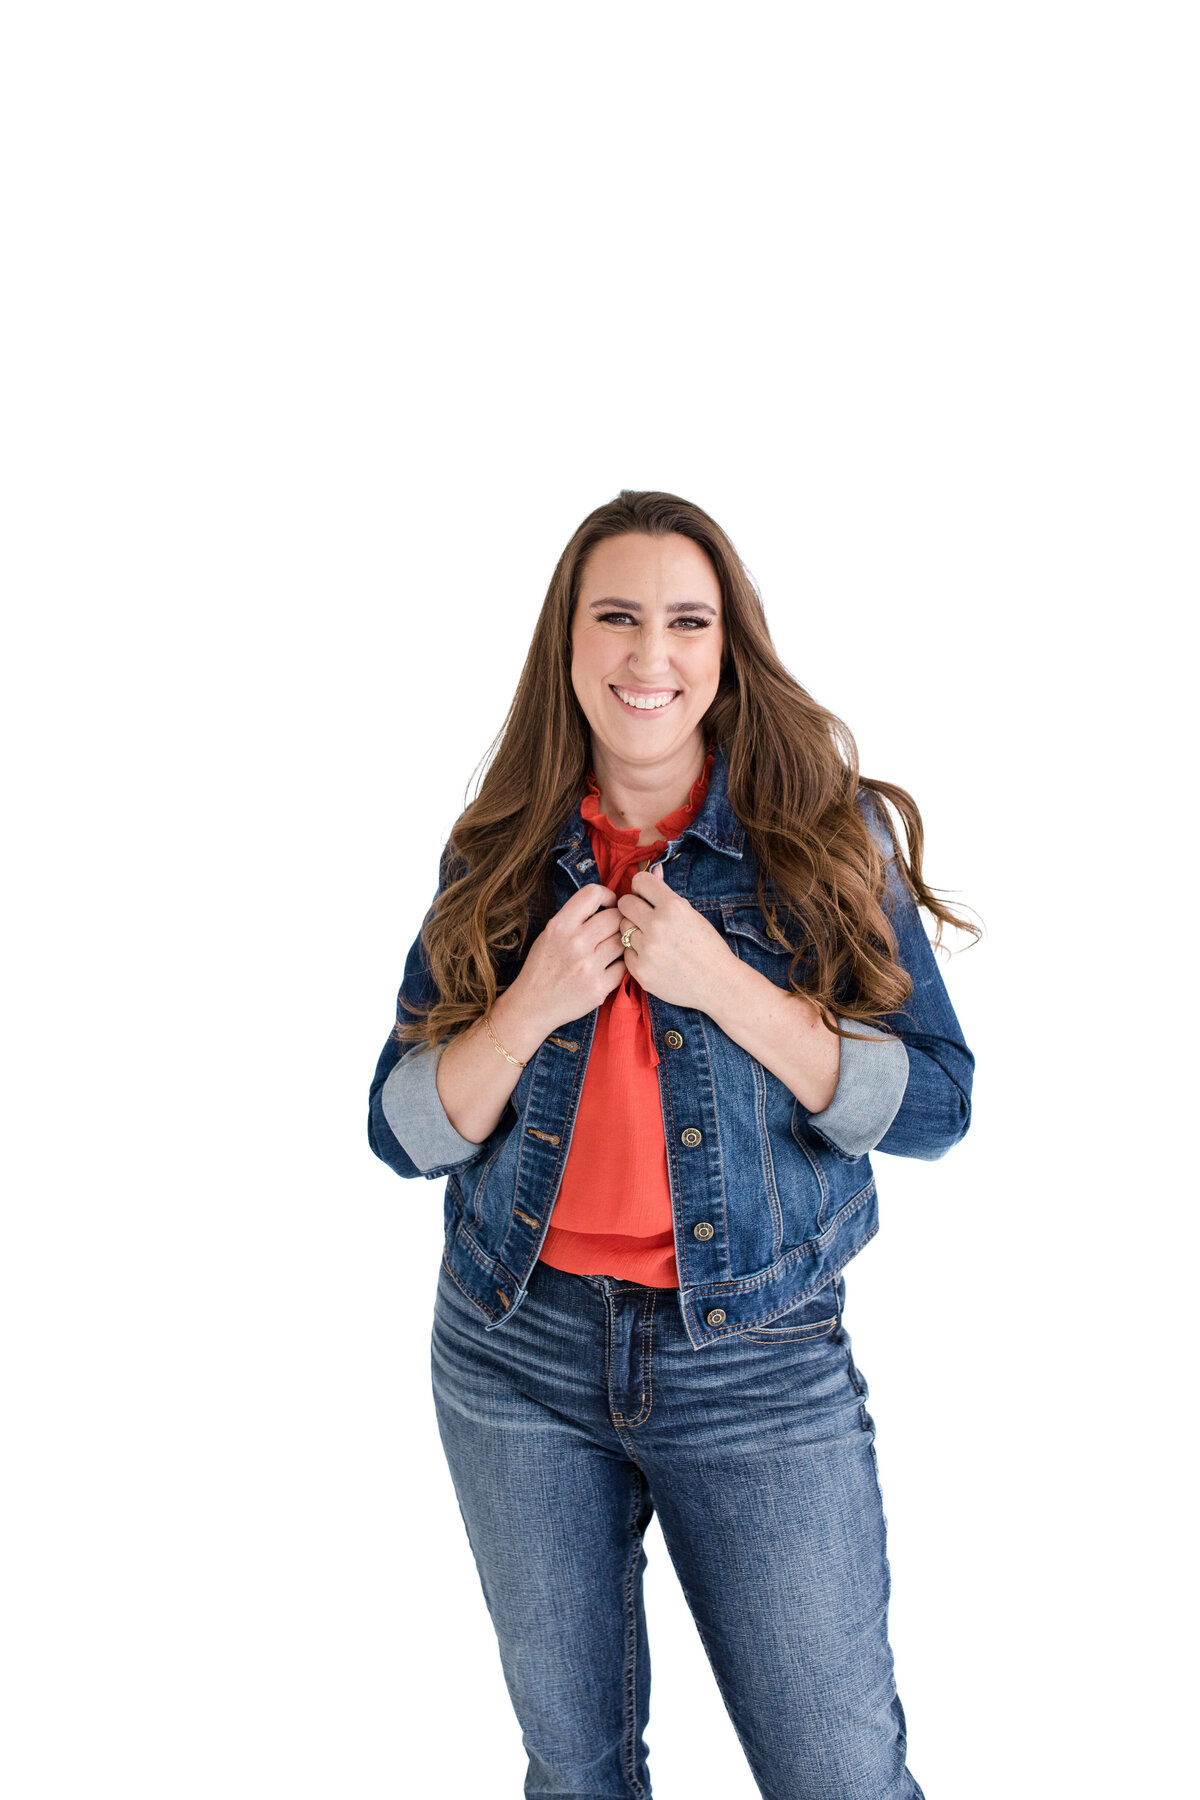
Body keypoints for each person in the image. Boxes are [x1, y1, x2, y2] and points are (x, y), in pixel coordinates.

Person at [367, 489, 977, 1800]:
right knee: (576, 1773)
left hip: (752, 1362)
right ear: (570, 645)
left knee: (841, 1778)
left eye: (686, 621)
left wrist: (728, 988)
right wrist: (532, 1004)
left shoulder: (822, 842)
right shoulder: (499, 853)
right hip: (512, 1353)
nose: (652, 656)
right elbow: (401, 1130)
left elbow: (937, 1106)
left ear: (725, 646)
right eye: (620, 618)